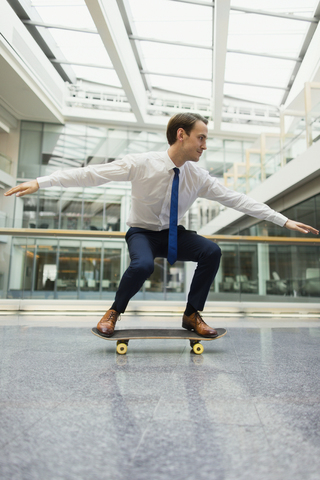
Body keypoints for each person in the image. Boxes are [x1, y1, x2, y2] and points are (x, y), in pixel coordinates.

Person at [5, 113, 319, 338]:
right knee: (142, 265)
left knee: (211, 251)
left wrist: (283, 219)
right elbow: (91, 175)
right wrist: (41, 181)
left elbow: (237, 200)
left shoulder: (197, 176)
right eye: (201, 138)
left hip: (173, 235)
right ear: (181, 134)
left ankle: (191, 313)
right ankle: (114, 311)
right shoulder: (141, 163)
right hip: (141, 232)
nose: (204, 145)